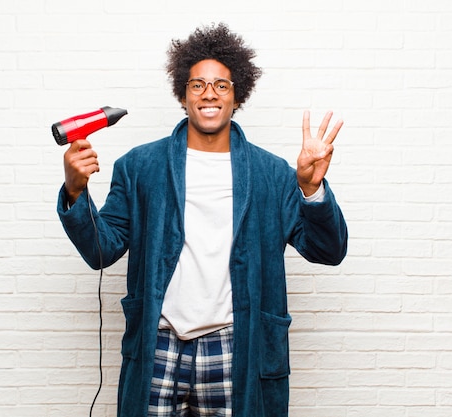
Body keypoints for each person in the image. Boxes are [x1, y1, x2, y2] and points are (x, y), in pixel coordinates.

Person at [58, 23, 348, 417]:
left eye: (221, 85)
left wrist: (311, 191)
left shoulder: (273, 173)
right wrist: (75, 191)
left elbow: (328, 251)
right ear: (182, 94)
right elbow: (101, 249)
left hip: (236, 345)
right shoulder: (140, 167)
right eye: (197, 84)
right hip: (158, 345)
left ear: (237, 96)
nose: (209, 93)